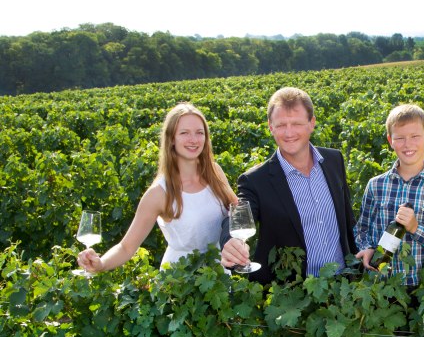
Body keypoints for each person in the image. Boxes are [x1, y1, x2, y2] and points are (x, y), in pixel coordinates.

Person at [77, 103, 237, 273]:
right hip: (180, 278)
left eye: (199, 132)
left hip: (218, 272)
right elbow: (126, 247)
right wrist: (101, 264)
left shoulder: (215, 173)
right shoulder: (159, 193)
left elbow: (237, 212)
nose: (193, 139)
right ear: (171, 139)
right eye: (184, 133)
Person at [219, 87, 358, 283]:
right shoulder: (255, 180)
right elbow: (237, 214)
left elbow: (348, 220)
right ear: (271, 127)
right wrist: (230, 241)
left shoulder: (334, 160)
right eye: (281, 125)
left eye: (297, 123)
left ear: (312, 123)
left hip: (343, 284)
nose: (289, 132)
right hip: (292, 291)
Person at [354, 104, 424, 287]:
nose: (408, 144)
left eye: (415, 136)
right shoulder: (376, 185)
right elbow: (362, 230)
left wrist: (415, 228)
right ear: (390, 140)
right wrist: (367, 248)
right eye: (400, 138)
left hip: (423, 289)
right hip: (380, 286)